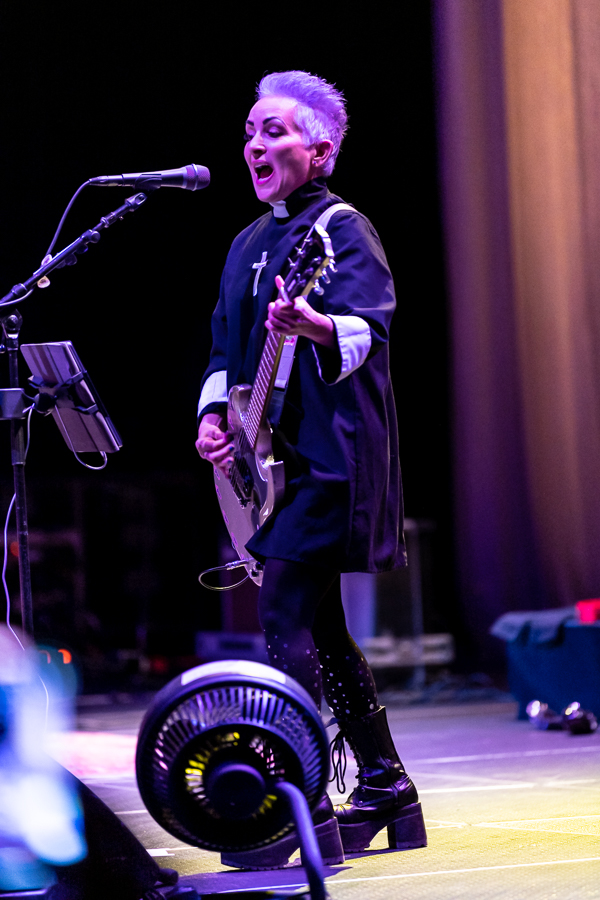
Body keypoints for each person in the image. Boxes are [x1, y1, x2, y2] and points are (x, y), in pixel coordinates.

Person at [196, 70, 426, 869]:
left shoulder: (342, 229)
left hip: (335, 456)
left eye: (275, 132)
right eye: (250, 132)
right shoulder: (244, 244)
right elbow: (224, 349)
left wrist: (315, 324)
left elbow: (373, 330)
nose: (255, 145)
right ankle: (388, 789)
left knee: (283, 609)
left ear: (320, 150)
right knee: (319, 625)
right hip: (272, 463)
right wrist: (214, 422)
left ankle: (297, 803)